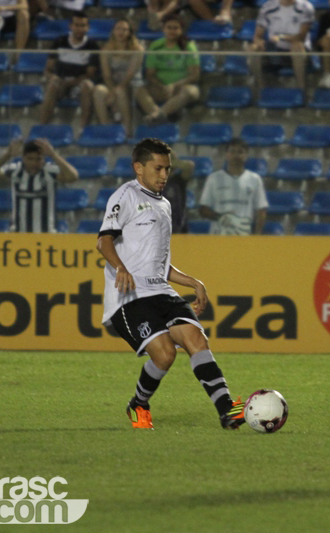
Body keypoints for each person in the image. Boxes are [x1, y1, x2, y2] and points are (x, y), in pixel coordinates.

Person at [97, 138, 245, 430]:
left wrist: (193, 282)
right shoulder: (124, 196)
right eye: (158, 168)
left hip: (161, 290)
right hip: (129, 297)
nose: (165, 175)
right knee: (165, 355)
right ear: (139, 168)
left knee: (196, 340)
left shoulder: (164, 205)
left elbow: (159, 264)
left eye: (167, 168)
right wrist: (121, 267)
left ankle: (228, 411)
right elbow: (104, 242)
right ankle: (138, 405)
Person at [0, 138, 79, 233]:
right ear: (23, 157)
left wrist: (53, 155)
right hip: (19, 233)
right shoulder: (15, 170)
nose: (34, 163)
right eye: (30, 159)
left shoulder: (50, 171)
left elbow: (73, 176)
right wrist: (7, 155)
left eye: (38, 159)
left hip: (46, 233)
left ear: (43, 158)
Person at [135, 14, 201, 124]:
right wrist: (163, 86)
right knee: (138, 90)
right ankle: (158, 115)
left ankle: (157, 115)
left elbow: (194, 75)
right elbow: (150, 75)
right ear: (163, 29)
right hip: (160, 88)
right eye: (169, 27)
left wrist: (174, 85)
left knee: (190, 91)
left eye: (175, 28)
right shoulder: (156, 46)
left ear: (181, 30)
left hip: (181, 88)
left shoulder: (188, 46)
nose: (172, 31)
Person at [39, 10, 99, 126]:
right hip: (61, 83)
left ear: (88, 28)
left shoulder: (93, 45)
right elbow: (48, 69)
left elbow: (90, 74)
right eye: (76, 25)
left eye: (83, 26)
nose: (79, 29)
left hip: (79, 84)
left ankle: (83, 129)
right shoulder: (59, 41)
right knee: (52, 84)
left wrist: (71, 83)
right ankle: (42, 127)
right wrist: (53, 77)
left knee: (87, 85)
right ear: (70, 26)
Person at [199, 139, 268, 235]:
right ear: (226, 155)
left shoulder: (255, 179)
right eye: (232, 151)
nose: (236, 155)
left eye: (240, 152)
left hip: (244, 235)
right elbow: (203, 209)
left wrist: (257, 235)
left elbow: (261, 210)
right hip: (218, 236)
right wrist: (221, 218)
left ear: (246, 156)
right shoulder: (214, 178)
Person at [249, 0, 315, 92]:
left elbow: (301, 37)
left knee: (297, 46)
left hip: (300, 51)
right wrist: (261, 43)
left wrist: (281, 37)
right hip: (275, 51)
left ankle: (301, 90)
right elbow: (257, 37)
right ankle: (260, 89)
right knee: (253, 49)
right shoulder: (267, 7)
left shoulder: (306, 7)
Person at [93, 18, 144, 133]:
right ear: (113, 31)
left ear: (130, 32)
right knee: (99, 90)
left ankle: (127, 129)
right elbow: (106, 75)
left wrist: (115, 92)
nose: (121, 32)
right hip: (113, 84)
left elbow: (130, 74)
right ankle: (106, 128)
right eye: (118, 29)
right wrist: (111, 91)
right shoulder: (106, 50)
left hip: (131, 84)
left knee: (120, 91)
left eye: (125, 30)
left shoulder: (138, 49)